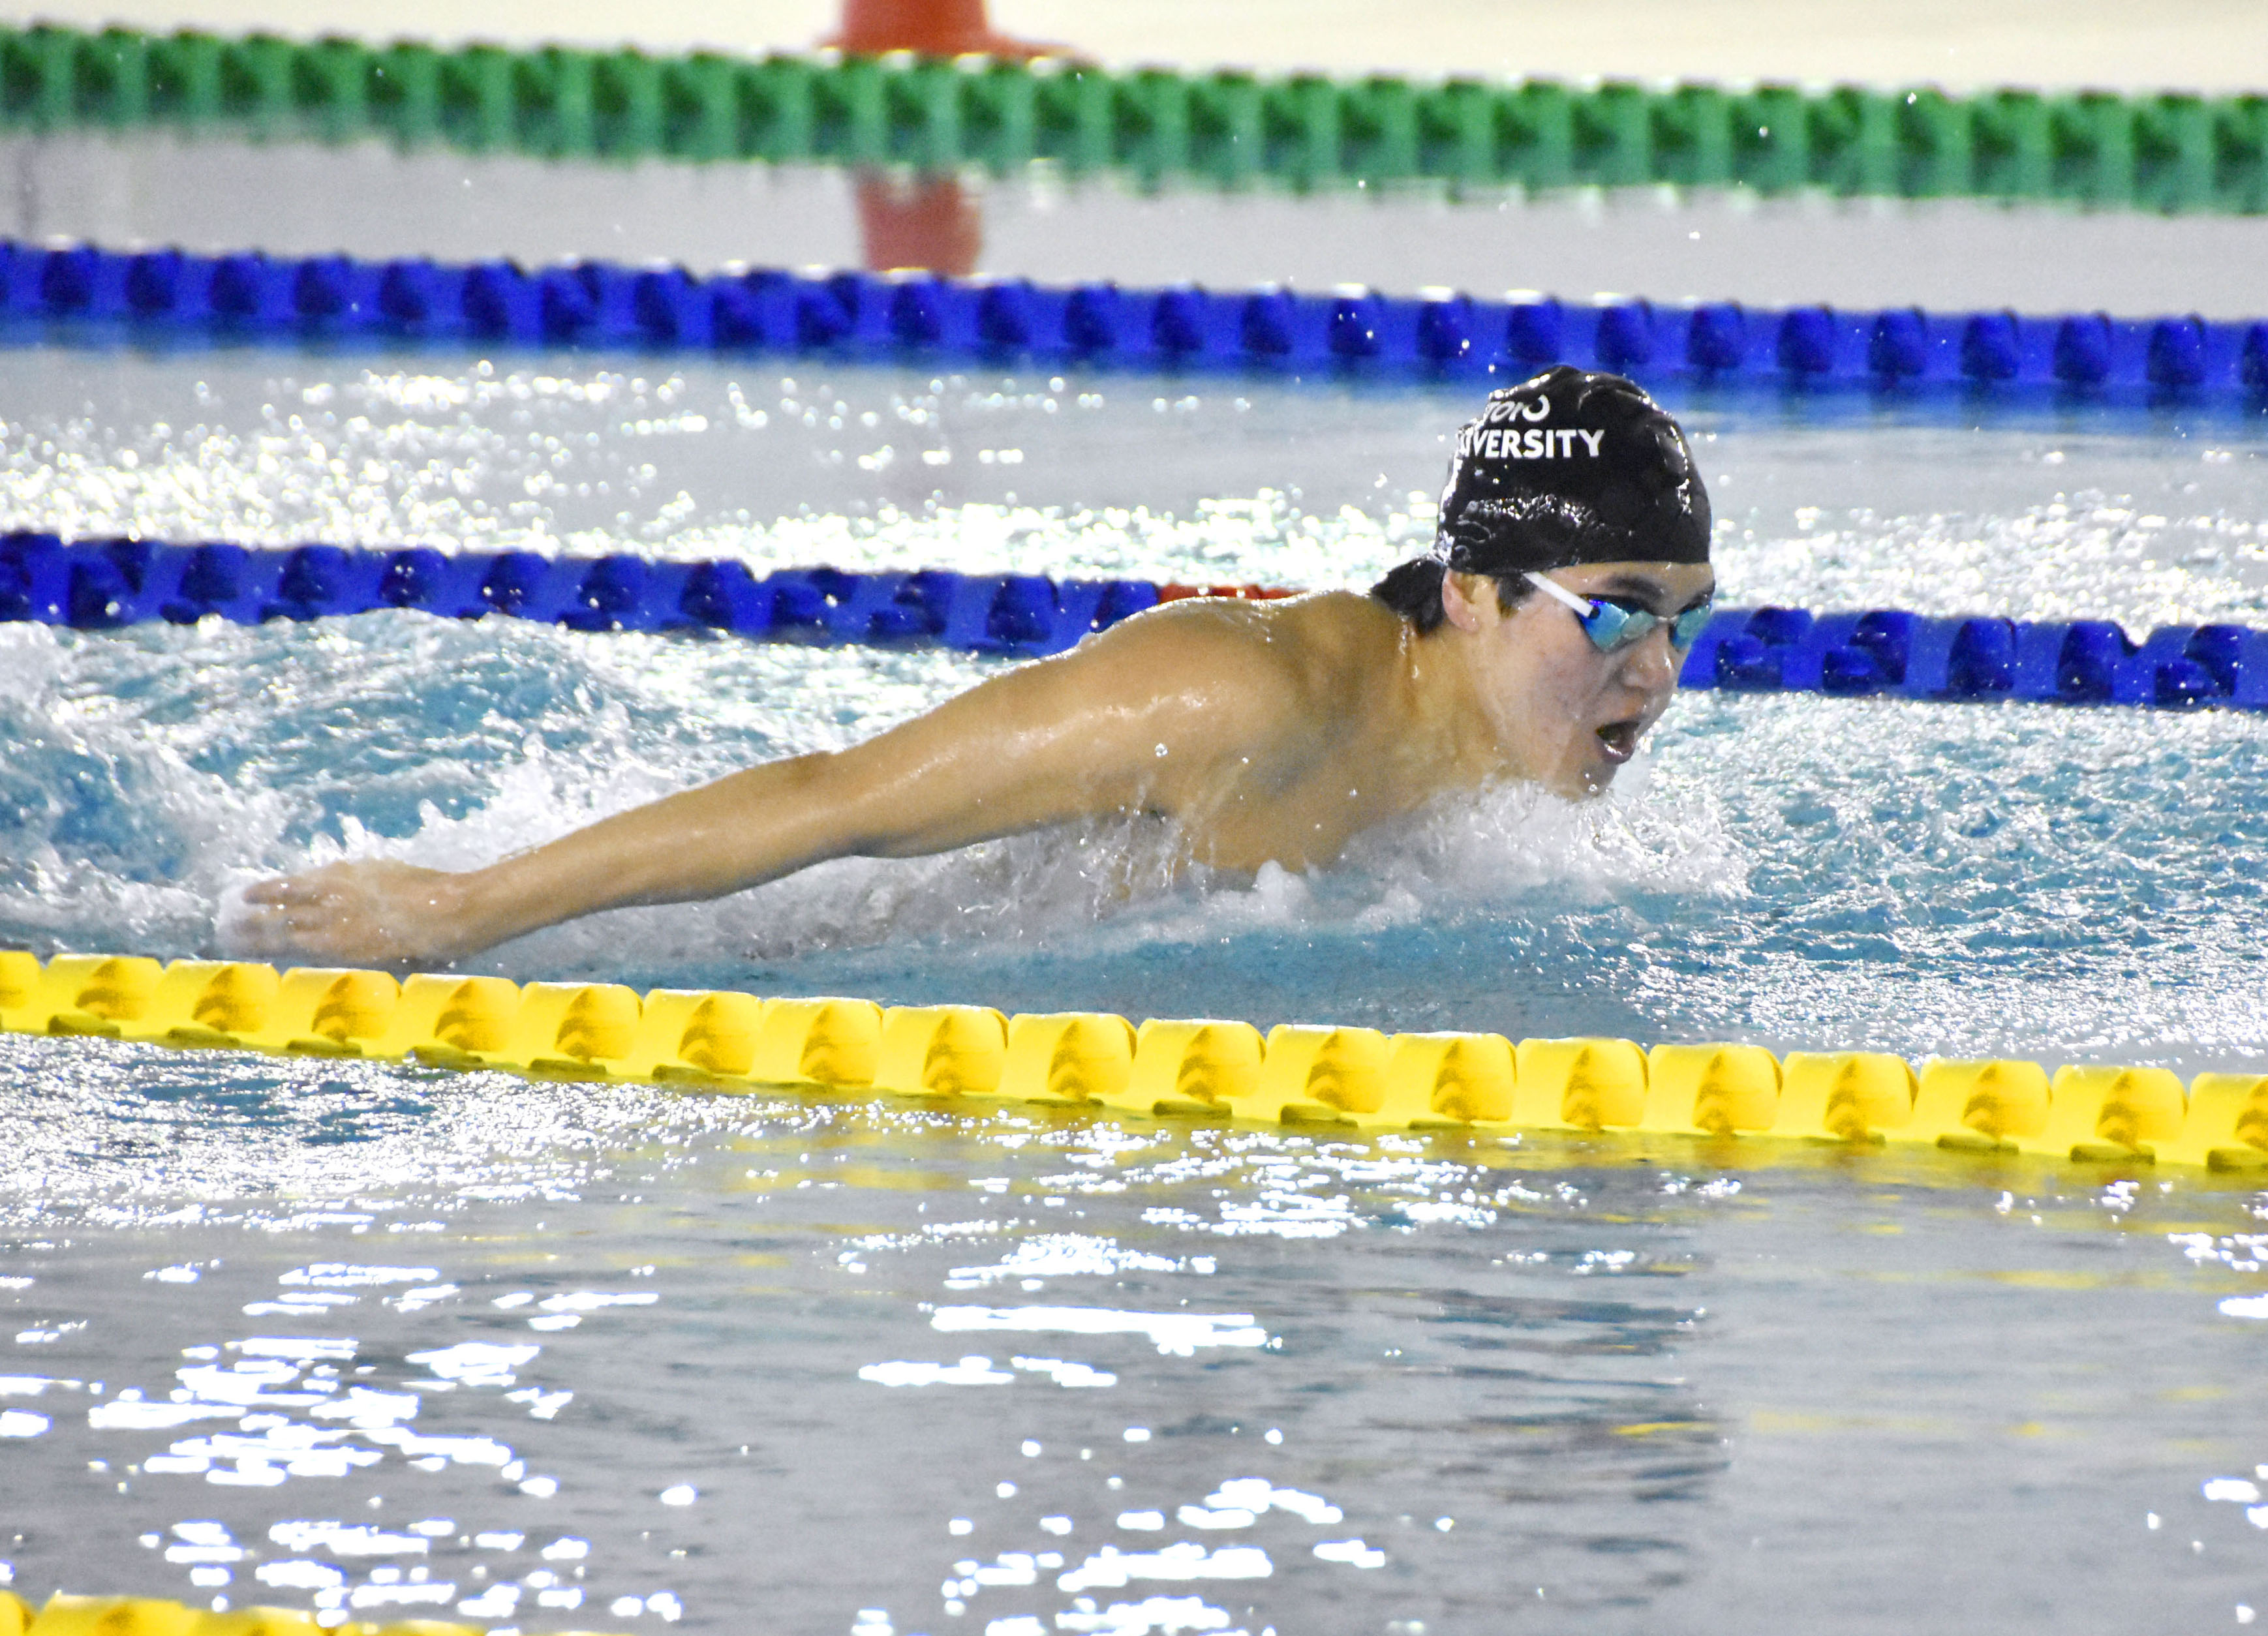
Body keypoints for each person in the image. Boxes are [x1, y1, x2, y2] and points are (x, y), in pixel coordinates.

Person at [235, 365, 1717, 969]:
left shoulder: (1496, 794)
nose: (1654, 675)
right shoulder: (1236, 697)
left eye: (1681, 622)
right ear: (1466, 590)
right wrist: (460, 908)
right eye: (1614, 612)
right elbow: (839, 802)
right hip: (792, 937)